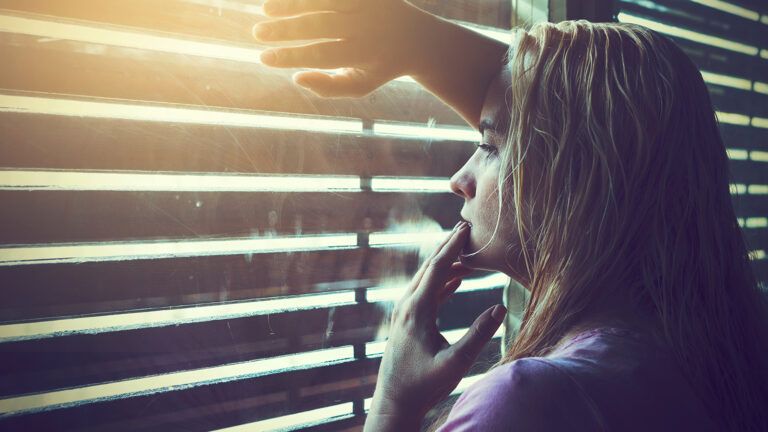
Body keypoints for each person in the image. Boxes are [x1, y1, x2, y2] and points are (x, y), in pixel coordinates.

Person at [253, 1, 768, 430]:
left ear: (577, 178)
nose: (459, 179)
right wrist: (415, 42)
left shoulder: (529, 403)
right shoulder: (734, 346)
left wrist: (393, 403)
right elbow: (561, 109)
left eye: (490, 144)